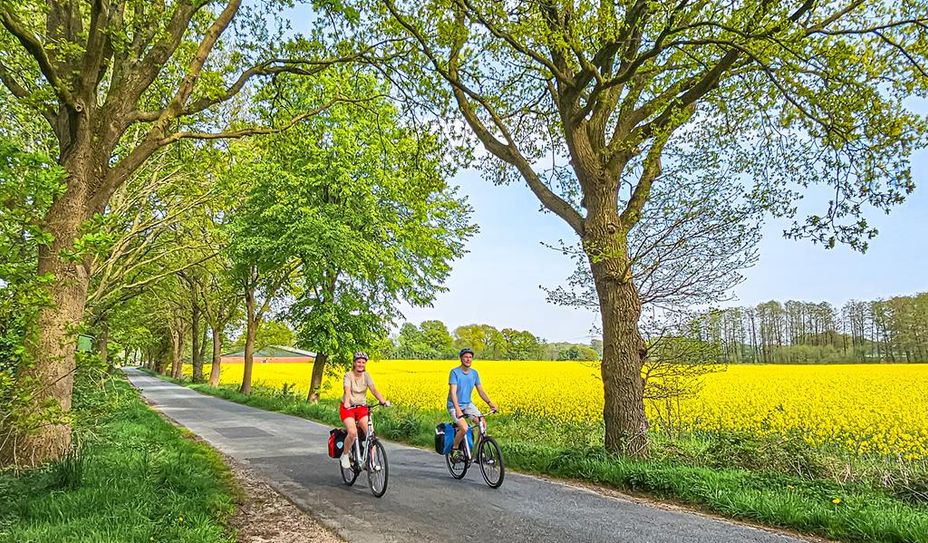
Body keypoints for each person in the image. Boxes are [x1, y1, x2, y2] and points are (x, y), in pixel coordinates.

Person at [340, 352, 389, 469]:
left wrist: (382, 401)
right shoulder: (348, 375)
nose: (361, 364)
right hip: (348, 408)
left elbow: (373, 389)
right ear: (354, 363)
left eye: (363, 362)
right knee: (352, 432)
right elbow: (347, 390)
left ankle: (371, 462)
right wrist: (347, 402)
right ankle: (345, 455)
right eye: (358, 362)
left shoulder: (366, 376)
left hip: (361, 408)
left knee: (371, 435)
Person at [447, 348, 497, 457]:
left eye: (470, 357)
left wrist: (490, 403)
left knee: (482, 424)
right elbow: (453, 393)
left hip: (468, 404)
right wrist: (458, 410)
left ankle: (478, 452)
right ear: (461, 358)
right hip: (454, 406)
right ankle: (455, 449)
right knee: (464, 428)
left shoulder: (474, 373)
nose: (468, 359)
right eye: (465, 357)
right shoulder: (455, 372)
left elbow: (480, 391)